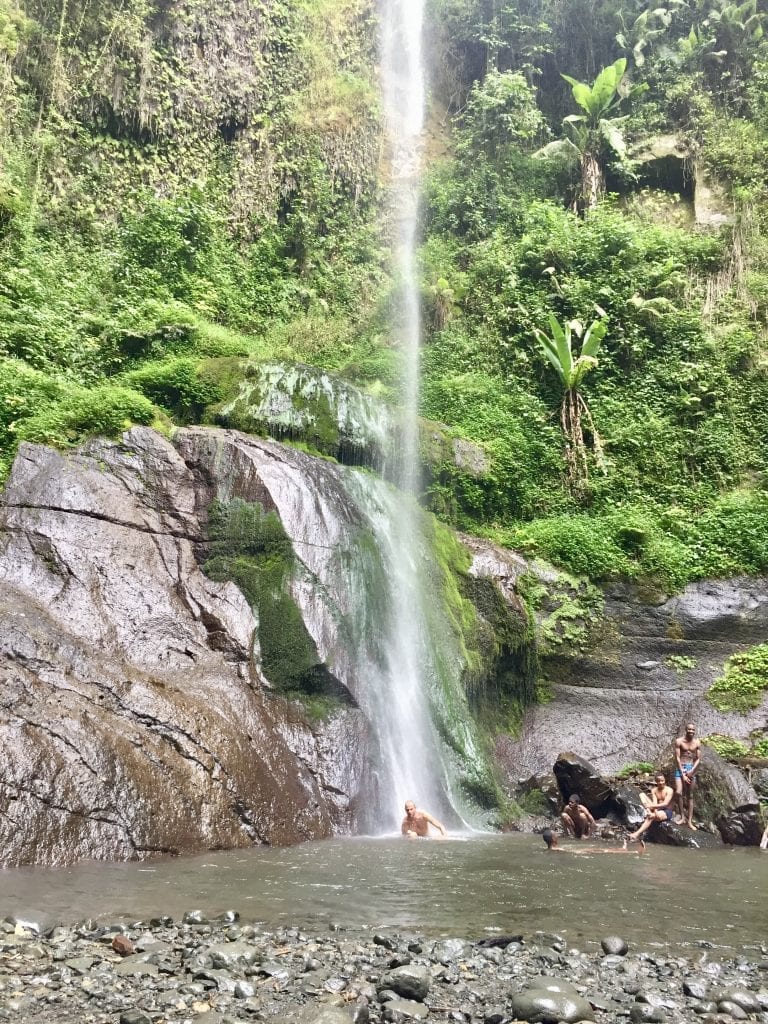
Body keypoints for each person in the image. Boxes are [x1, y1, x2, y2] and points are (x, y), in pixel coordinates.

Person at [628, 773, 674, 841]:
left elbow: (665, 804)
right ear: (656, 781)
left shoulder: (669, 790)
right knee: (642, 795)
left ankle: (636, 834)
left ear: (665, 780)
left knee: (651, 817)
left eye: (662, 780)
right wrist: (655, 811)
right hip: (657, 809)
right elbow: (655, 802)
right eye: (659, 781)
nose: (661, 783)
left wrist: (652, 808)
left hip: (666, 811)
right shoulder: (654, 790)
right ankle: (649, 812)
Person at [673, 723, 701, 828]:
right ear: (686, 730)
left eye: (693, 729)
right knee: (678, 792)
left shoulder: (697, 742)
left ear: (695, 730)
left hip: (690, 768)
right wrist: (683, 774)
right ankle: (682, 817)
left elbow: (698, 758)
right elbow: (677, 758)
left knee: (690, 795)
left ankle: (689, 821)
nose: (691, 731)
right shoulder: (679, 741)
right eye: (689, 729)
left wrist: (692, 770)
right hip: (680, 768)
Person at [542, 828, 645, 854]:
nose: (557, 835)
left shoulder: (550, 849)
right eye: (555, 834)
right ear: (553, 839)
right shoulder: (556, 849)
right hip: (580, 853)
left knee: (602, 850)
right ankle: (635, 852)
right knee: (604, 851)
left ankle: (623, 849)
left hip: (580, 852)